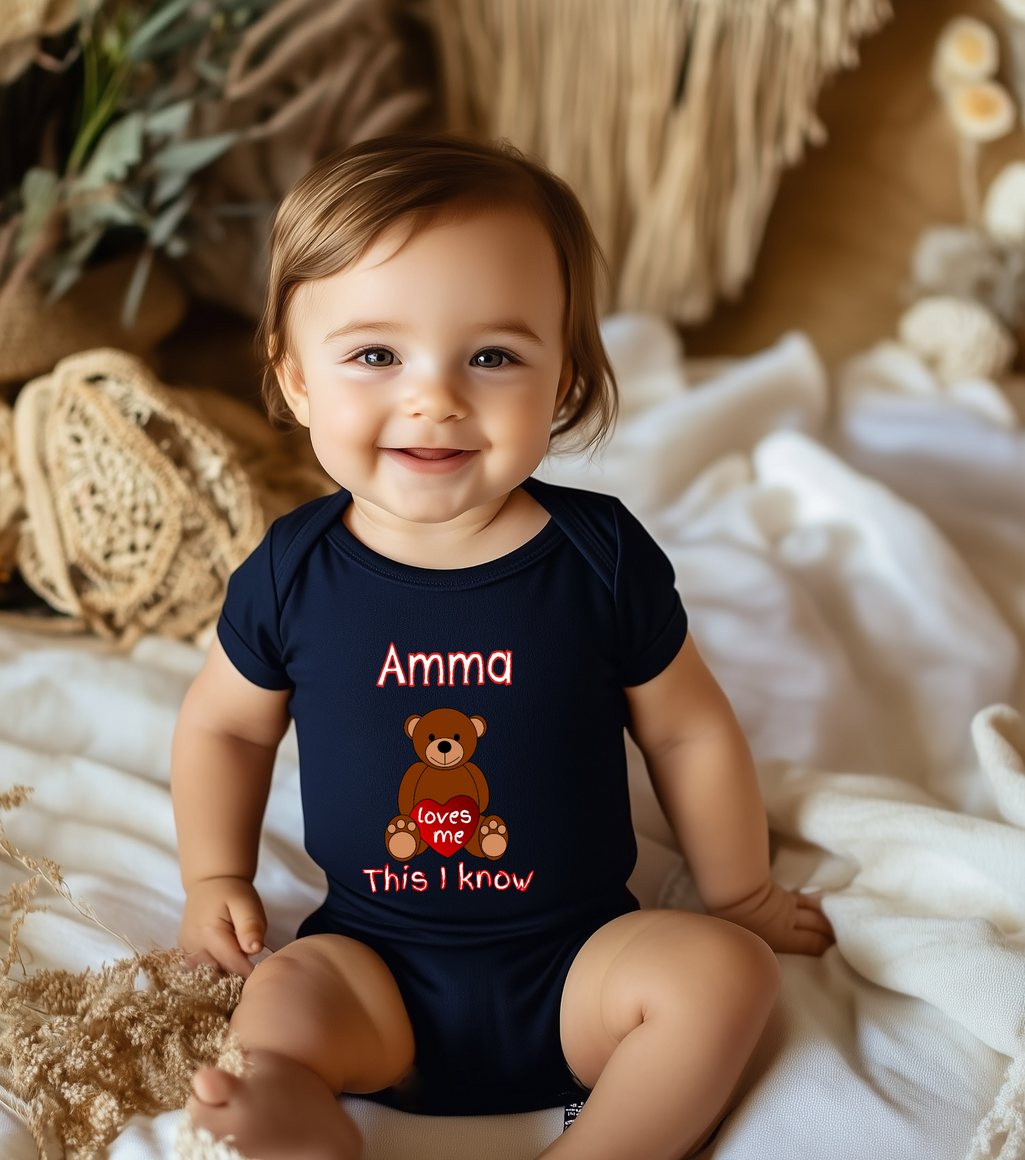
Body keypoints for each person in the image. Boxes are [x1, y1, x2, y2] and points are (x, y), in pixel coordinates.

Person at [170, 134, 835, 1160]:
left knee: (725, 971)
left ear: (563, 378)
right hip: (372, 966)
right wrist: (214, 876)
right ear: (295, 380)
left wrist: (739, 892)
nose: (434, 397)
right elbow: (224, 726)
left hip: (579, 962)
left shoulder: (597, 557)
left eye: (491, 356)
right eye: (375, 355)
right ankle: (295, 1109)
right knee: (283, 994)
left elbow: (689, 730)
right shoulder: (292, 570)